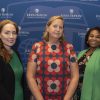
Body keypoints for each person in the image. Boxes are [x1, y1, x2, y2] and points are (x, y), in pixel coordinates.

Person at [26, 16, 79, 100]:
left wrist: (66, 98)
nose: (58, 29)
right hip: (40, 97)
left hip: (64, 97)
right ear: (47, 28)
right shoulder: (37, 47)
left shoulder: (69, 48)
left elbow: (75, 76)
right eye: (55, 26)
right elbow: (30, 76)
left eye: (60, 27)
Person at [0, 19, 24, 100]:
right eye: (7, 33)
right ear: (0, 35)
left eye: (14, 33)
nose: (11, 36)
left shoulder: (16, 53)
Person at [77, 26, 100, 100]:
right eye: (91, 36)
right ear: (87, 39)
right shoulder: (81, 53)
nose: (94, 38)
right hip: (78, 92)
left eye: (98, 37)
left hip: (94, 94)